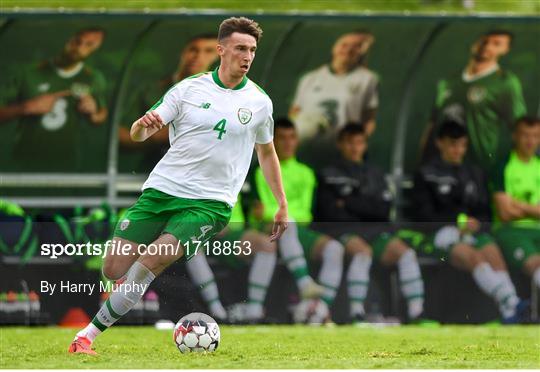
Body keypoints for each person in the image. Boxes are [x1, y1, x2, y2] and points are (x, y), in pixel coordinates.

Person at [69, 17, 288, 355]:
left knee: (151, 262)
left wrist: (282, 204)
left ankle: (85, 337)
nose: (247, 56)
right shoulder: (189, 89)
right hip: (162, 191)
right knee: (113, 269)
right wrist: (144, 126)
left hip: (210, 203)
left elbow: (268, 152)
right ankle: (130, 293)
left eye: (253, 50)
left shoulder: (259, 102)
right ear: (221, 50)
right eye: (241, 48)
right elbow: (138, 132)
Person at [411, 120, 526, 323]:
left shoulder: (474, 173)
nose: (458, 150)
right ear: (440, 143)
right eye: (453, 145)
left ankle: (509, 312)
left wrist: (477, 223)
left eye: (462, 145)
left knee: (492, 251)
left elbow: (484, 213)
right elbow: (422, 217)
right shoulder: (426, 174)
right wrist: (457, 221)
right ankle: (511, 302)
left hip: (472, 233)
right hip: (439, 235)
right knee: (475, 257)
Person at [315, 124, 426, 323]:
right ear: (340, 144)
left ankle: (416, 312)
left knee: (406, 254)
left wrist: (348, 202)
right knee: (362, 252)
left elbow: (382, 210)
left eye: (359, 142)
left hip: (375, 232)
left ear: (365, 145)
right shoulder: (329, 174)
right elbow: (330, 212)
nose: (354, 148)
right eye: (349, 142)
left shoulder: (375, 173)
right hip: (344, 232)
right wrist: (365, 207)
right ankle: (356, 313)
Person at [253, 118, 344, 311]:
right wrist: (278, 213)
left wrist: (279, 211)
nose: (287, 142)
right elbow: (261, 211)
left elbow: (305, 213)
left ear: (297, 141)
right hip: (268, 229)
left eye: (292, 137)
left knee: (335, 249)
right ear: (272, 141)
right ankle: (304, 284)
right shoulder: (260, 170)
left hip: (297, 229)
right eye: (282, 138)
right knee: (288, 222)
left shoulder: (306, 173)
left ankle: (320, 311)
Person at [0, 27, 108, 172]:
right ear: (67, 38)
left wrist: (92, 112)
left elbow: (102, 117)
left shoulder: (92, 77)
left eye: (89, 44)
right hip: (24, 160)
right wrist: (25, 108)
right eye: (77, 41)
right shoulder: (29, 71)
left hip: (69, 163)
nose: (80, 47)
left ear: (95, 49)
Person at [422, 29, 527, 171]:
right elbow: (432, 125)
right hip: (442, 167)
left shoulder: (505, 82)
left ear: (505, 50)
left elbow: (520, 127)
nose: (487, 46)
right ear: (474, 43)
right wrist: (423, 160)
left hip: (481, 167)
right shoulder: (448, 82)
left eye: (496, 44)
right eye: (484, 41)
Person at [118, 33, 218, 172]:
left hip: (203, 174)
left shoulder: (222, 94)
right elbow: (120, 134)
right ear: (183, 52)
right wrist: (157, 135)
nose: (198, 56)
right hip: (153, 172)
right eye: (193, 49)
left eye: (208, 51)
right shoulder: (151, 90)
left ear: (218, 56)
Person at [289, 30, 378, 141]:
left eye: (356, 46)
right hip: (307, 142)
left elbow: (369, 119)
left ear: (363, 52)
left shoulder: (367, 79)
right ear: (334, 48)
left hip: (339, 144)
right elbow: (295, 112)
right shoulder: (310, 78)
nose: (349, 49)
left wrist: (357, 144)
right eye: (344, 45)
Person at [492, 117, 540, 290]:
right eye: (525, 136)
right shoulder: (503, 167)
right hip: (511, 231)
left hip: (538, 230)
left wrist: (519, 205)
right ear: (515, 136)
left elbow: (512, 208)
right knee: (536, 266)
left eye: (535, 136)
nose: (530, 141)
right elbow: (505, 213)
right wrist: (534, 210)